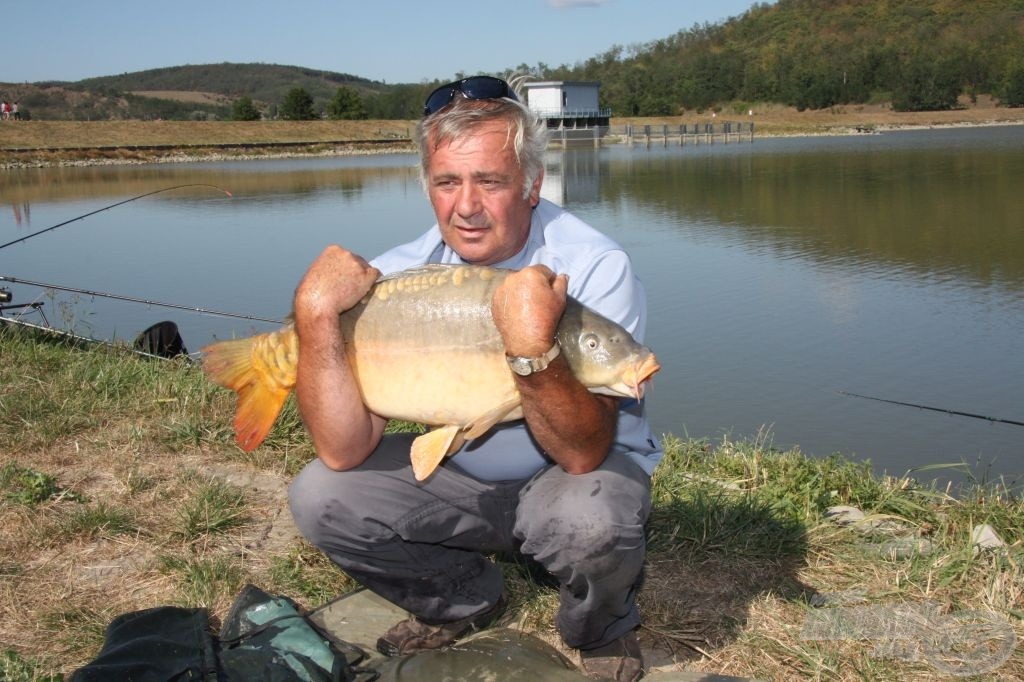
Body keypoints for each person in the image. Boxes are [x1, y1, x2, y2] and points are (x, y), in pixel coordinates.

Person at [288, 76, 661, 682]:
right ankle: (462, 598)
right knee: (320, 495)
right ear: (427, 187)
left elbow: (584, 451)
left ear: (532, 184)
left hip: (574, 477)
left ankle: (600, 628)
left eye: (489, 181)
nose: (466, 206)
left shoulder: (592, 264)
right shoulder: (397, 279)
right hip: (457, 481)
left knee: (589, 520)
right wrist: (314, 316)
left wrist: (530, 347)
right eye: (447, 183)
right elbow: (343, 448)